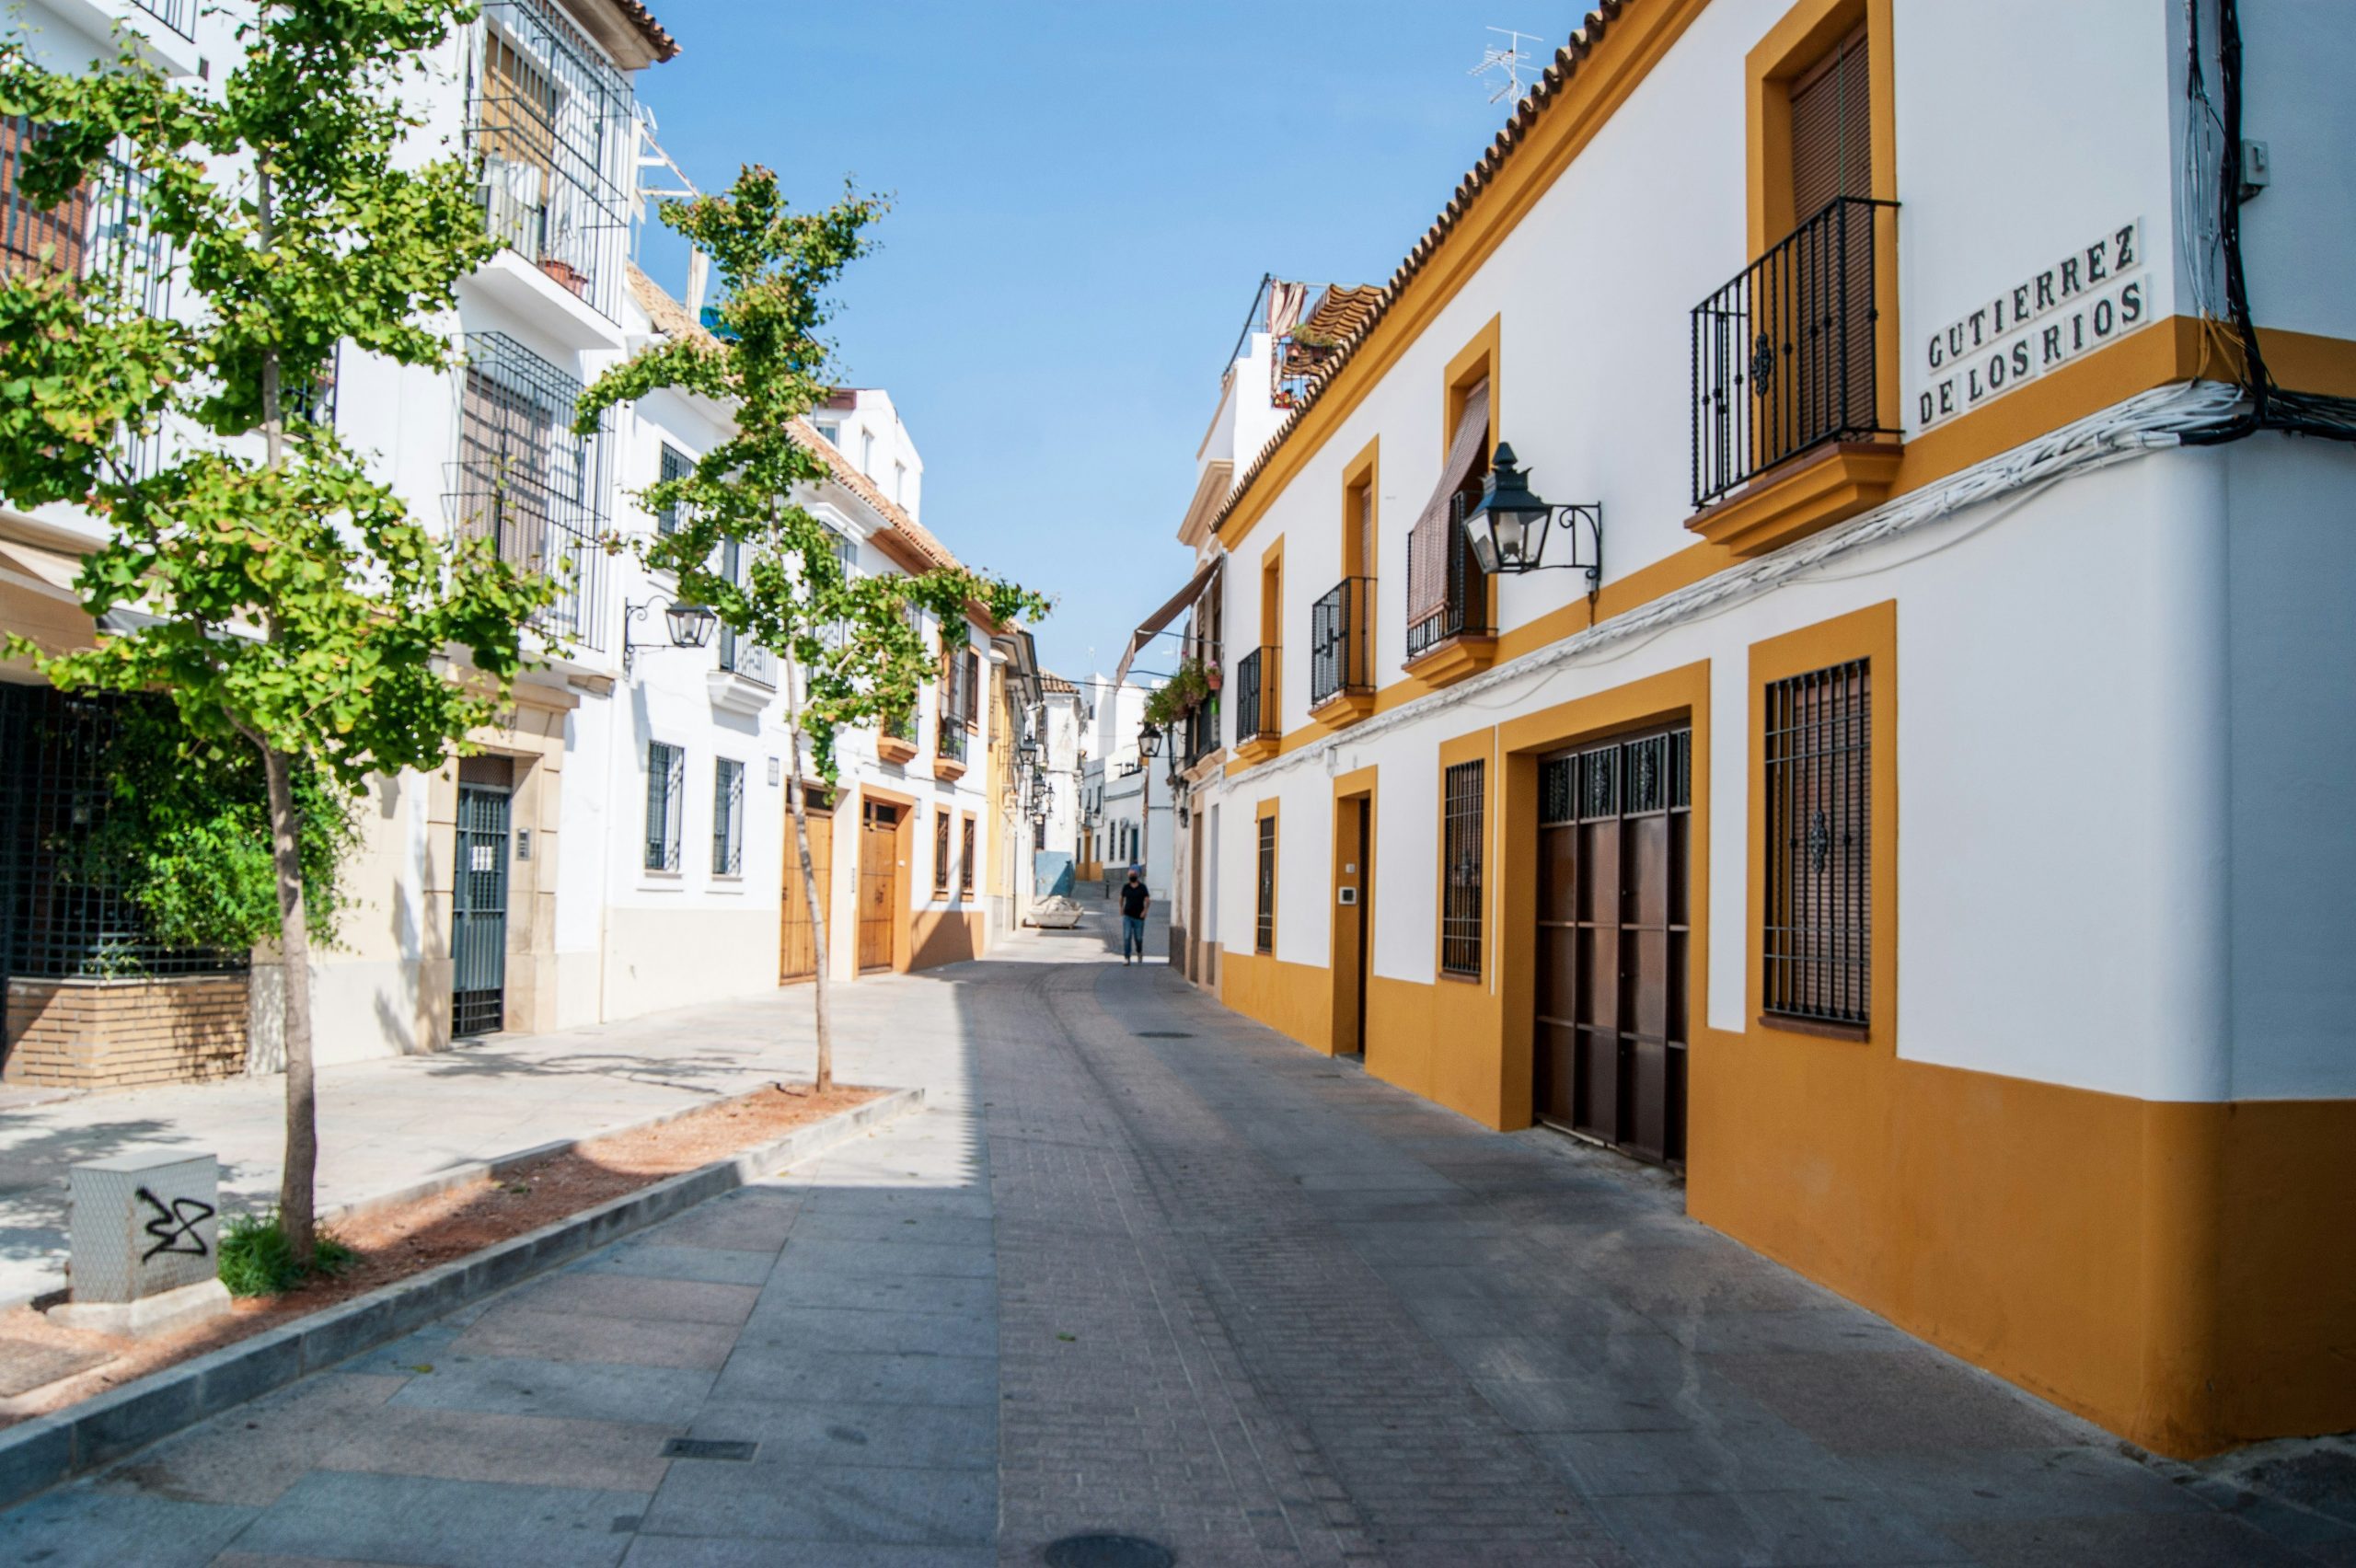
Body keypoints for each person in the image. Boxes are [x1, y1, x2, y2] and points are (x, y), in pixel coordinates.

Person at [1118, 867, 1150, 964]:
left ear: (1137, 876)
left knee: (1138, 938)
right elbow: (1121, 898)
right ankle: (1127, 957)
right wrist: (1121, 907)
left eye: (1133, 875)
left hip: (1139, 917)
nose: (1132, 876)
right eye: (1130, 875)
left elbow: (1147, 900)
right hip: (1127, 915)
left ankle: (1139, 952)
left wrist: (1145, 911)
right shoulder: (1126, 887)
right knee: (1127, 936)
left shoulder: (1142, 887)